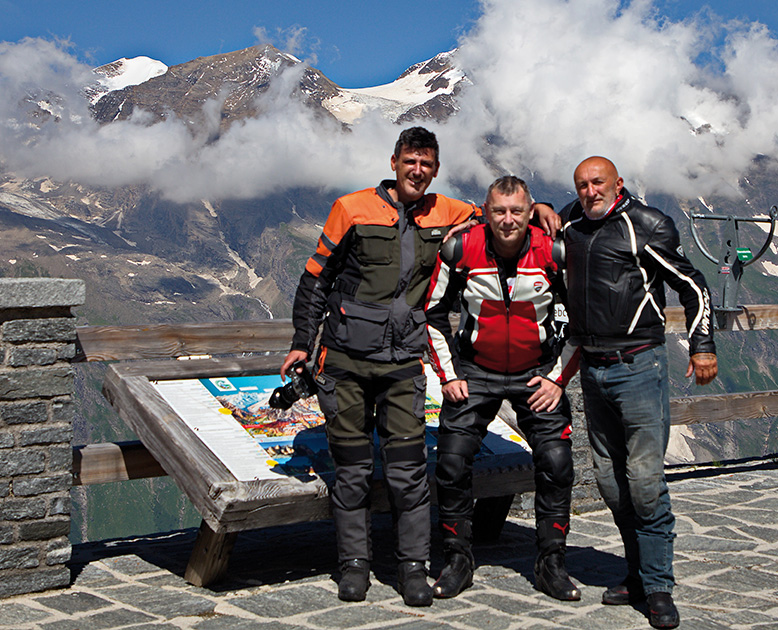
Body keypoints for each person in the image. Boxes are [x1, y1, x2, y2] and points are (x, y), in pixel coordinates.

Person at [282, 128, 559, 606]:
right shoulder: (352, 209)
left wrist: (540, 210)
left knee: (409, 472)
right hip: (345, 361)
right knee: (352, 470)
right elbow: (316, 280)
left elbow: (500, 213)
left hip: (403, 363)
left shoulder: (449, 211)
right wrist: (302, 344)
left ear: (435, 169)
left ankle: (413, 569)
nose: (417, 170)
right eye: (410, 161)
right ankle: (354, 566)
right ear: (394, 162)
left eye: (426, 164)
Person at [560, 156, 717, 630]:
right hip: (593, 367)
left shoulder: (646, 225)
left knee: (645, 481)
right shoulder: (568, 222)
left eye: (598, 183)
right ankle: (634, 571)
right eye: (583, 185)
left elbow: (694, 286)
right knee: (610, 481)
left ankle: (658, 587)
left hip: (639, 367)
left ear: (618, 183)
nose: (590, 191)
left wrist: (702, 346)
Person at [423, 175, 582, 601]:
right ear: (486, 213)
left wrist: (556, 379)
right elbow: (432, 312)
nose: (508, 220)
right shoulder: (461, 248)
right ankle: (457, 560)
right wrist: (450, 375)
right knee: (452, 464)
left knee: (556, 462)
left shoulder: (554, 251)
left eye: (516, 211)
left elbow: (583, 322)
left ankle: (552, 563)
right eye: (498, 211)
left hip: (537, 372)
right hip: (475, 372)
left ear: (531, 212)